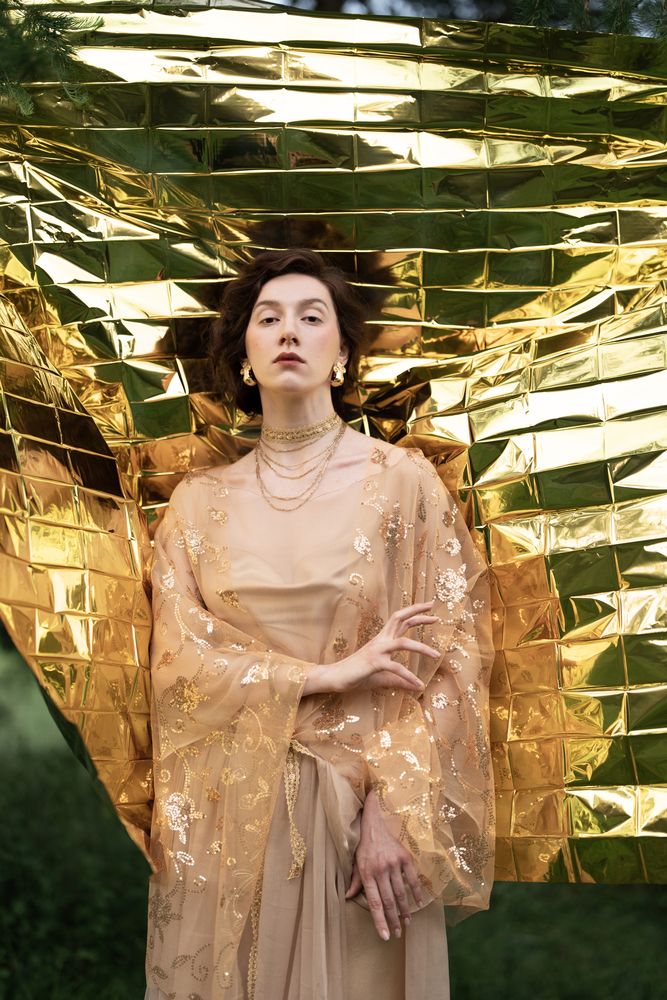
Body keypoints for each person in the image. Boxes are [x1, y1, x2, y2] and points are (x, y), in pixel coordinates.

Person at [143, 248, 495, 1000]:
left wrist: (394, 810)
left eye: (311, 317)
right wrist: (323, 675)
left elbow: (453, 657)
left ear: (342, 355)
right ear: (243, 358)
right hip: (230, 815)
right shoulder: (197, 503)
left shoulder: (401, 483)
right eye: (267, 318)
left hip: (362, 816)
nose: (288, 332)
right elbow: (176, 663)